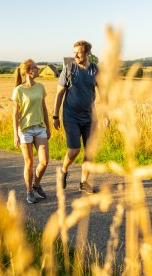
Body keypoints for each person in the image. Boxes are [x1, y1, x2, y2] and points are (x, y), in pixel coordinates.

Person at [53, 40, 108, 194]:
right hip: (71, 117)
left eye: (79, 52)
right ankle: (64, 170)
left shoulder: (95, 70)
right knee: (74, 150)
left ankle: (84, 182)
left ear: (87, 54)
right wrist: (55, 116)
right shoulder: (69, 69)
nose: (75, 55)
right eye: (74, 52)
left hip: (91, 118)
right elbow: (59, 95)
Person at [12, 59, 50, 204]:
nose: (38, 68)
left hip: (40, 128)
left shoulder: (40, 87)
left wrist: (48, 127)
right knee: (29, 163)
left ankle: (36, 184)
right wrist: (16, 134)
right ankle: (29, 191)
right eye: (35, 67)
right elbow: (15, 113)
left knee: (45, 161)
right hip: (25, 130)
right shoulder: (19, 90)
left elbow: (44, 108)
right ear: (28, 71)